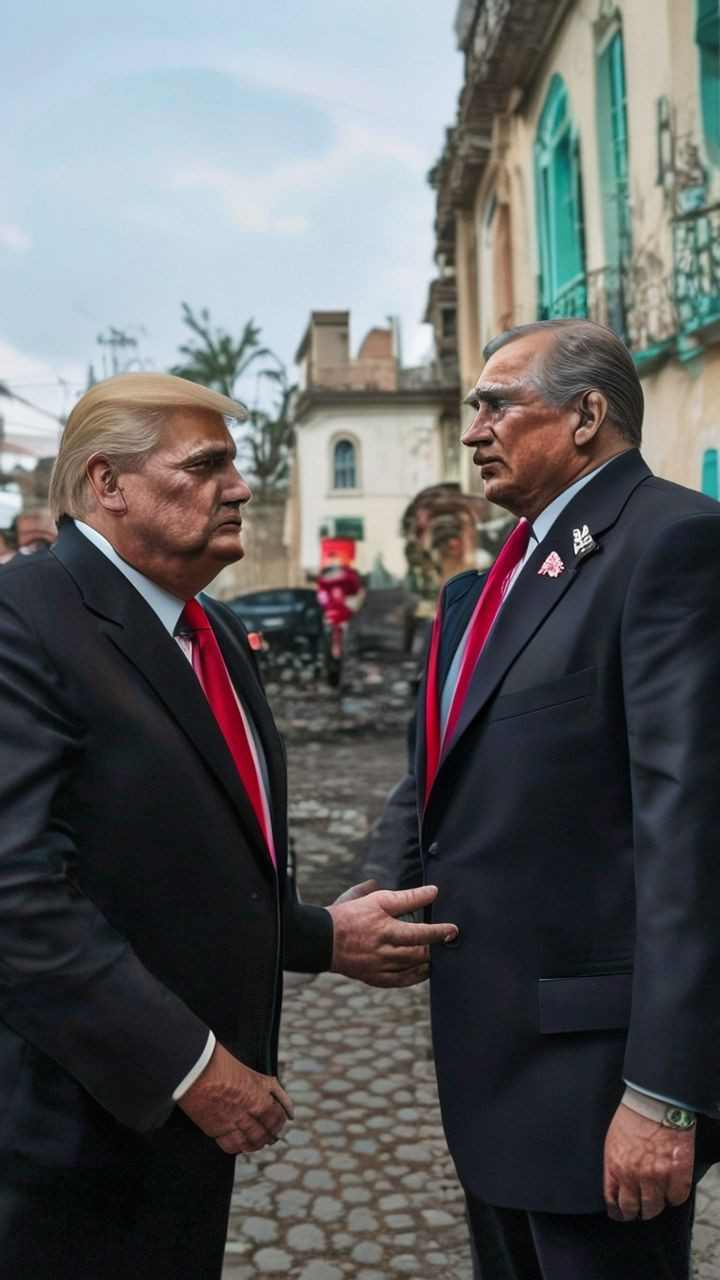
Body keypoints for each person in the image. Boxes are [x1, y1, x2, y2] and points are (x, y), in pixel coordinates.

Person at [0, 372, 457, 1280]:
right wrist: (190, 1066)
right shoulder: (24, 617)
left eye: (236, 465)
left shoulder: (212, 628)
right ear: (108, 482)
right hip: (68, 1137)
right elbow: (17, 895)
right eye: (204, 465)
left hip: (181, 1144)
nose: (239, 487)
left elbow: (196, 864)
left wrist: (321, 936)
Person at [384, 318, 720, 1279]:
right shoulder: (488, 583)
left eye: (497, 404)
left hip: (597, 1080)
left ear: (586, 415)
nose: (472, 430)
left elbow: (691, 833)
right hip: (496, 1070)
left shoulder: (672, 542)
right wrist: (373, 896)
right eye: (473, 408)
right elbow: (438, 771)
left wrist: (663, 1093)